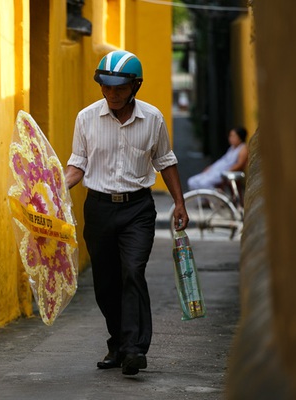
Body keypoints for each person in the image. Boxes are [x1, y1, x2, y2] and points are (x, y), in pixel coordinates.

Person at [64, 50, 189, 376]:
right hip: (100, 208)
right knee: (105, 283)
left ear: (136, 86)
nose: (112, 94)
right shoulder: (86, 118)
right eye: (106, 87)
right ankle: (117, 343)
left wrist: (179, 202)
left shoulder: (153, 119)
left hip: (138, 210)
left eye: (119, 88)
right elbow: (77, 164)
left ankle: (134, 349)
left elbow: (166, 161)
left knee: (132, 271)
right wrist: (56, 189)